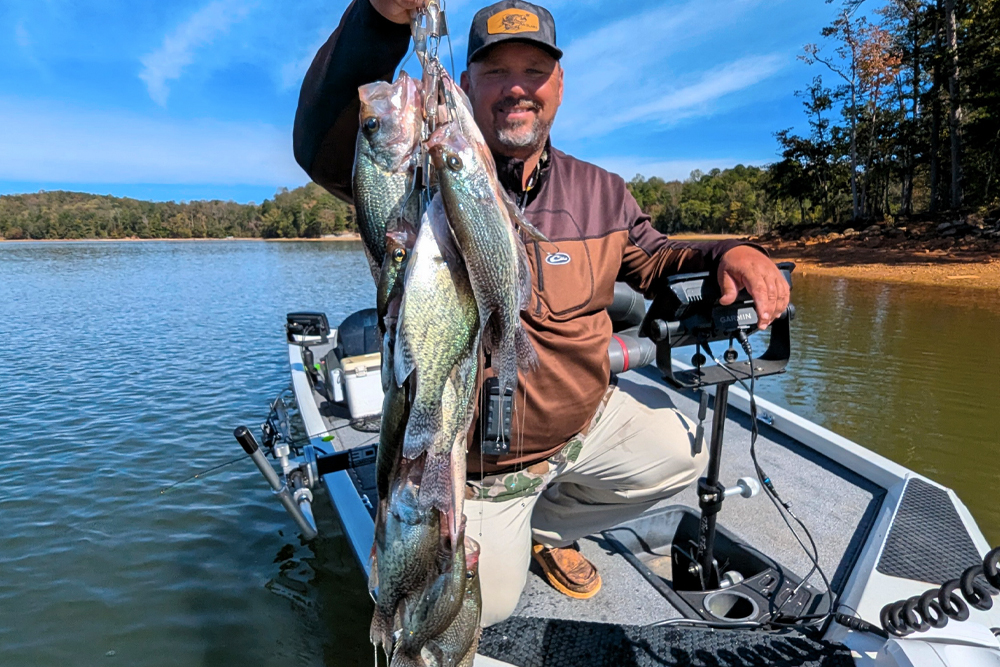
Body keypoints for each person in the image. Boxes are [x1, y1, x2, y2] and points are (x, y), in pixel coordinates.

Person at [293, 0, 790, 626]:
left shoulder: (601, 190)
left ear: (559, 84)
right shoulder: (422, 176)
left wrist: (732, 251)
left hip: (580, 428)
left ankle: (548, 528)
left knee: (678, 455)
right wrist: (379, 18)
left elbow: (658, 257)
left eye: (534, 69)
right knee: (482, 607)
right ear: (466, 84)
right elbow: (323, 141)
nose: (516, 88)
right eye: (496, 72)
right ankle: (503, 513)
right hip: (477, 464)